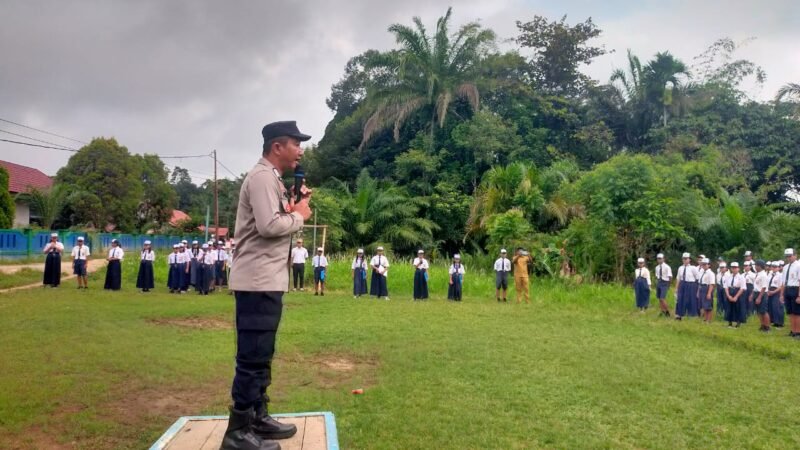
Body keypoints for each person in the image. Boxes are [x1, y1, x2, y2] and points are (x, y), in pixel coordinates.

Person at [222, 120, 313, 450]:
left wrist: (291, 207)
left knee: (261, 354)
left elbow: (274, 221)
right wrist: (299, 214)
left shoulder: (271, 179)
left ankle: (256, 417)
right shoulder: (261, 177)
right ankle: (237, 432)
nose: (300, 149)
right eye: (295, 143)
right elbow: (268, 226)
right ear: (277, 147)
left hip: (266, 279)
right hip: (256, 280)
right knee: (252, 356)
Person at [782, 248, 800, 338]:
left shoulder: (798, 266)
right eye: (787, 256)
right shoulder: (785, 267)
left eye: (790, 256)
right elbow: (783, 282)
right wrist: (782, 294)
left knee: (797, 312)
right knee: (790, 312)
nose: (788, 258)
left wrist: (799, 295)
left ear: (795, 255)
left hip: (795, 289)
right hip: (787, 289)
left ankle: (798, 332)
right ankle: (793, 330)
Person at [674, 253, 698, 320]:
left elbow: (697, 278)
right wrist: (676, 288)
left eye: (686, 259)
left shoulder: (693, 268)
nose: (684, 260)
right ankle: (679, 314)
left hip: (690, 284)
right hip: (682, 284)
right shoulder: (680, 268)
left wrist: (695, 287)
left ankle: (692, 314)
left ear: (689, 259)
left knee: (690, 299)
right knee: (680, 299)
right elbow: (678, 278)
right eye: (683, 259)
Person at [723, 262, 746, 328]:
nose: (734, 269)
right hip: (730, 291)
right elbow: (726, 287)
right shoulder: (728, 277)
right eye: (732, 268)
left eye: (735, 268)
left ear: (738, 268)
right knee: (729, 308)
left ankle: (738, 323)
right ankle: (730, 323)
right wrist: (728, 295)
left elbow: (742, 288)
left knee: (738, 308)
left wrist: (736, 296)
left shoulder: (741, 277)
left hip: (738, 292)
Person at [753, 260, 770, 332]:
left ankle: (767, 327)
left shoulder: (763, 275)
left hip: (762, 293)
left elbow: (764, 287)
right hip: (756, 292)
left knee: (763, 311)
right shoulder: (758, 274)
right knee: (759, 311)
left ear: (760, 266)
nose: (755, 267)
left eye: (756, 265)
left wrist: (759, 297)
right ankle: (762, 325)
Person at [697, 258, 716, 323]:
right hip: (701, 287)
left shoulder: (711, 273)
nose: (704, 266)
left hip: (707, 288)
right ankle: (705, 318)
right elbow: (699, 282)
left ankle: (709, 319)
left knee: (708, 305)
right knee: (704, 305)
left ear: (709, 265)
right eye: (703, 264)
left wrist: (709, 293)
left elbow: (712, 284)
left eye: (705, 264)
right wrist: (698, 291)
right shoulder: (701, 272)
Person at [767, 261, 784, 329]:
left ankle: (780, 323)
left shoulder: (780, 275)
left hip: (776, 290)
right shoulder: (769, 274)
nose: (774, 268)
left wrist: (774, 292)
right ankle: (774, 321)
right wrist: (768, 291)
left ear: (778, 268)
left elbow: (781, 286)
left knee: (777, 307)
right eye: (773, 267)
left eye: (775, 267)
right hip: (769, 290)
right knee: (771, 307)